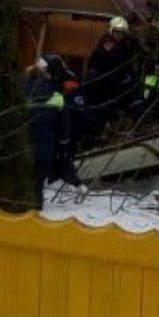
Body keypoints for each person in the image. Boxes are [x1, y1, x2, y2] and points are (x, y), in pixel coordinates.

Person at [25, 54, 83, 203]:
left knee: (30, 175)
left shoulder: (24, 88)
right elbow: (65, 125)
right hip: (49, 139)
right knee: (38, 177)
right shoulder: (55, 93)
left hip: (30, 140)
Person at [84, 16, 139, 118]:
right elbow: (98, 63)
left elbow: (128, 62)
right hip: (106, 82)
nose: (119, 35)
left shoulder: (127, 45)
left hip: (121, 81)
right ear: (111, 31)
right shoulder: (105, 45)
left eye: (122, 32)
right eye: (117, 32)